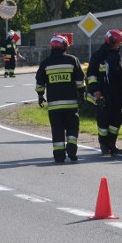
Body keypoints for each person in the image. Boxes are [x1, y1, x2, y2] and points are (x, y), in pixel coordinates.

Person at [35, 35, 86, 163]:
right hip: (71, 105)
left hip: (54, 107)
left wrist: (40, 96)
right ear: (65, 46)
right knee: (72, 129)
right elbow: (80, 80)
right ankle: (72, 152)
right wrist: (81, 94)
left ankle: (59, 156)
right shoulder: (72, 60)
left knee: (57, 131)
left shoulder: (45, 63)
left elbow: (39, 82)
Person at [86, 29, 122, 155]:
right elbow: (91, 75)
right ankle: (104, 145)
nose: (120, 44)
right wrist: (96, 91)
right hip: (103, 95)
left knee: (116, 121)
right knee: (103, 121)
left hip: (117, 95)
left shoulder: (118, 55)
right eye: (118, 42)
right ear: (111, 41)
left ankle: (112, 144)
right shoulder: (98, 56)